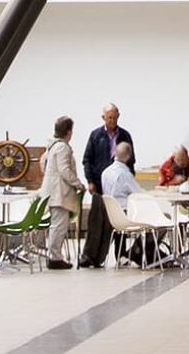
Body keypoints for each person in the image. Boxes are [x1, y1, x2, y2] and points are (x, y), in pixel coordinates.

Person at [78, 104, 135, 269]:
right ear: (103, 118)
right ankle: (92, 256)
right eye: (109, 117)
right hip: (99, 185)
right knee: (97, 221)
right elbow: (87, 160)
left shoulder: (125, 135)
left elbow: (131, 160)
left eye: (115, 117)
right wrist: (90, 181)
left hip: (118, 187)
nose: (112, 120)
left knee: (119, 219)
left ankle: (121, 255)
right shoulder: (96, 135)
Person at [40, 116, 86, 269]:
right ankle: (54, 258)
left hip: (52, 191)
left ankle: (55, 255)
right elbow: (64, 169)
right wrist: (77, 183)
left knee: (57, 225)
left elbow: (43, 164)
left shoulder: (52, 146)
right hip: (59, 193)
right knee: (58, 226)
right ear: (69, 132)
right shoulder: (63, 148)